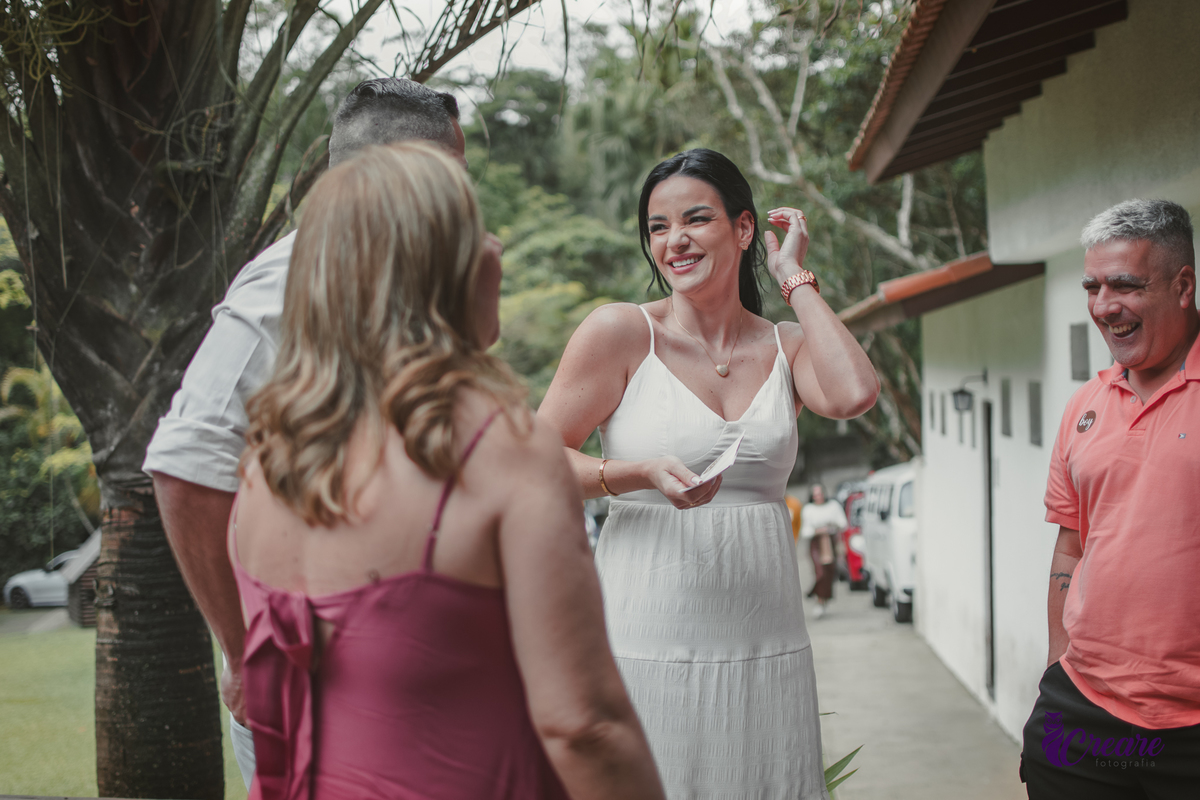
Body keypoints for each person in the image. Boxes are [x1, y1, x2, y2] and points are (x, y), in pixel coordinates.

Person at [230, 142, 665, 800]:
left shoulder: (265, 464)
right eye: (474, 229)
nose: (493, 245)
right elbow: (584, 726)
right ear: (442, 268)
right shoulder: (502, 450)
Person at [142, 77, 490, 786]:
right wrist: (243, 656)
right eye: (455, 175)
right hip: (315, 675)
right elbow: (183, 461)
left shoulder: (414, 279)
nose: (465, 197)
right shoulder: (287, 283)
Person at [538, 148, 879, 799]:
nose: (675, 241)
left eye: (695, 219)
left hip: (764, 634)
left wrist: (793, 277)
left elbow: (854, 392)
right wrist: (637, 472)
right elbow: (532, 457)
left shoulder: (785, 345)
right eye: (658, 227)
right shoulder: (620, 333)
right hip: (644, 630)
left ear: (744, 229)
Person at [1020, 199, 1200, 798]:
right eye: (1092, 286)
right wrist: (1054, 669)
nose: (1104, 307)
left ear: (1183, 285)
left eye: (1125, 285)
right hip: (1082, 710)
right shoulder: (1084, 406)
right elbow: (1071, 546)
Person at [800, 483, 846, 618]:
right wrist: (818, 530)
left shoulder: (833, 506)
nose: (818, 497)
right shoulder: (808, 509)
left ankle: (822, 598)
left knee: (829, 572)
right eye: (815, 495)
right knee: (820, 572)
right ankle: (816, 596)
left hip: (830, 542)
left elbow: (842, 523)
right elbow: (806, 530)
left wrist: (830, 527)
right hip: (816, 543)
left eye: (819, 494)